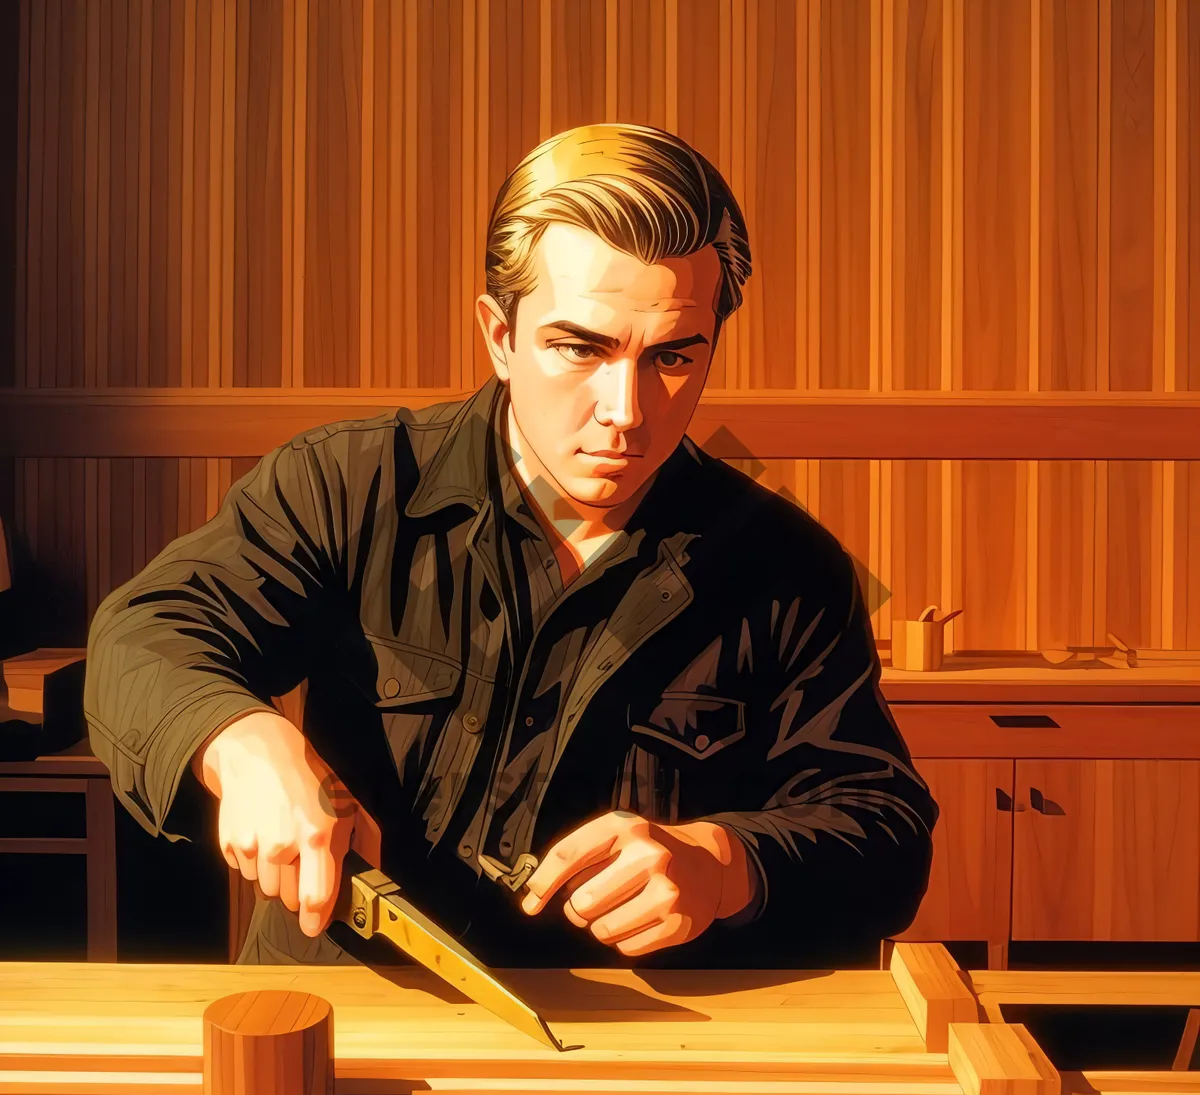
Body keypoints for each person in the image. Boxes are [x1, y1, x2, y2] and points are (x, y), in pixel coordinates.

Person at [84, 123, 938, 970]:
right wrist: (240, 741)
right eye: (580, 348)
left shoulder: (791, 567)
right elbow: (145, 632)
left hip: (635, 1051)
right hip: (344, 1010)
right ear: (500, 334)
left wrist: (726, 865)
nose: (626, 411)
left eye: (674, 357)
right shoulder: (347, 483)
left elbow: (883, 825)